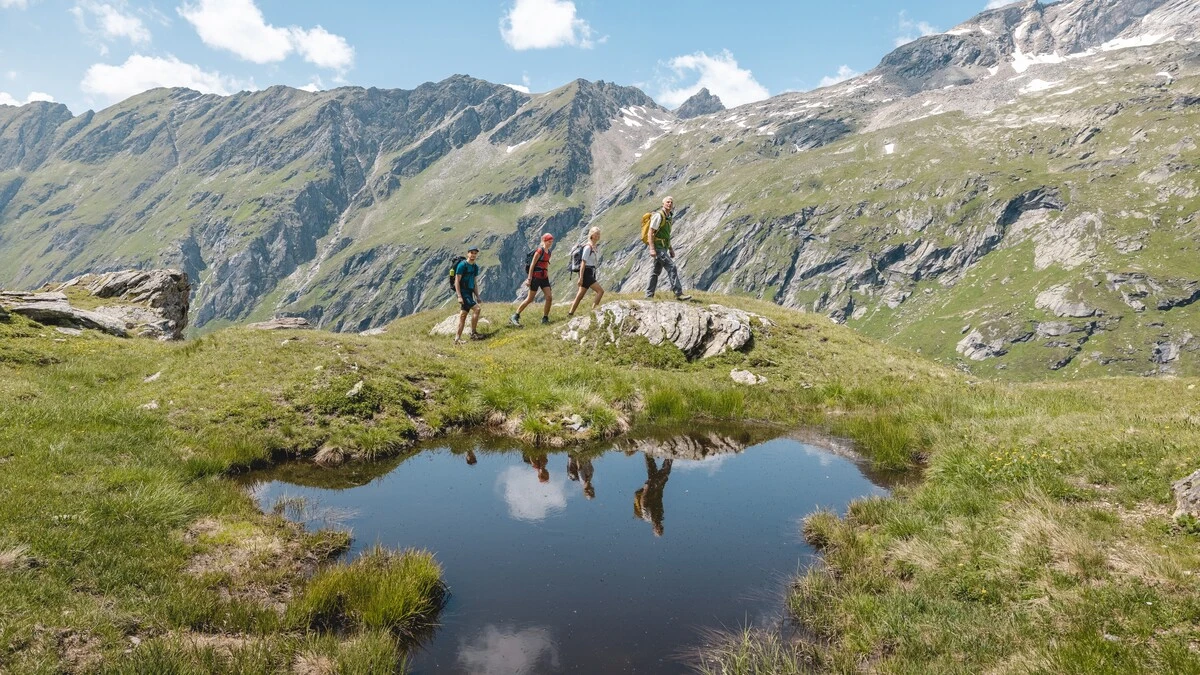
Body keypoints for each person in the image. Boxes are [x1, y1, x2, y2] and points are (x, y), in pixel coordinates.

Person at [645, 196, 692, 301]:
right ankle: (678, 293)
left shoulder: (668, 216)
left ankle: (648, 295)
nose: (669, 204)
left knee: (655, 272)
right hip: (658, 248)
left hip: (664, 247)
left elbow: (666, 235)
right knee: (672, 267)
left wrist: (670, 249)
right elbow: (650, 233)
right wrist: (652, 249)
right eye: (667, 202)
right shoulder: (659, 216)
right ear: (663, 204)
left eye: (671, 202)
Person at [511, 233, 555, 327]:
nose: (550, 243)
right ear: (544, 241)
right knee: (530, 299)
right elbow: (532, 265)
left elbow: (546, 264)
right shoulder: (540, 251)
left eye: (551, 242)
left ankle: (545, 318)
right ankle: (515, 315)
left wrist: (546, 274)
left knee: (549, 297)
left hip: (544, 277)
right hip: (535, 277)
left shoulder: (549, 252)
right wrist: (529, 279)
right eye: (548, 242)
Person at [567, 227, 605, 317]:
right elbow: (583, 262)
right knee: (600, 291)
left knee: (580, 295)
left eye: (599, 234)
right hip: (586, 272)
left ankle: (570, 313)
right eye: (596, 234)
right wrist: (580, 277)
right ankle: (593, 311)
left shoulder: (593, 247)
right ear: (591, 235)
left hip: (589, 271)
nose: (597, 236)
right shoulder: (588, 247)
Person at [633, 455, 672, 537]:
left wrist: (646, 488)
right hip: (657, 490)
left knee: (665, 472)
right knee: (653, 470)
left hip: (651, 489)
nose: (660, 526)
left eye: (658, 529)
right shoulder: (660, 516)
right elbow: (659, 500)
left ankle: (670, 454)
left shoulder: (648, 516)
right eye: (661, 528)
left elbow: (644, 501)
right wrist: (660, 488)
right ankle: (648, 453)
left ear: (654, 528)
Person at [454, 247, 483, 345]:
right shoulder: (462, 265)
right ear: (468, 254)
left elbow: (474, 282)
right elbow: (457, 281)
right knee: (477, 309)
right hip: (463, 292)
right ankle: (473, 333)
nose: (473, 255)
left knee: (463, 315)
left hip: (469, 292)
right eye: (471, 253)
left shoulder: (475, 267)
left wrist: (477, 296)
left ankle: (457, 339)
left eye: (475, 253)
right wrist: (459, 295)